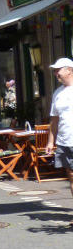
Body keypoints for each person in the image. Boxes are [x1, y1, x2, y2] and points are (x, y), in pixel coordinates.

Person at [44, 58, 73, 204]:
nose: (56, 73)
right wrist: (50, 142)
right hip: (64, 140)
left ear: (69, 70)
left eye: (58, 70)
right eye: (55, 70)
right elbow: (54, 120)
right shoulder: (58, 93)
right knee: (71, 176)